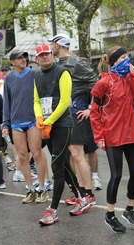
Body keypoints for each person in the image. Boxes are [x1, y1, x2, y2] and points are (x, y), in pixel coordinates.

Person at [90, 46, 134, 233]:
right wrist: (99, 136)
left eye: (128, 56)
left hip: (131, 133)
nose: (127, 60)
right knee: (116, 175)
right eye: (123, 57)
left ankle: (129, 209)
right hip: (112, 135)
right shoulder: (104, 83)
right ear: (114, 61)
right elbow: (94, 112)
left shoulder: (131, 79)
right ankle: (110, 214)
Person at [34, 44, 91, 226]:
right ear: (36, 59)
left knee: (56, 167)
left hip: (62, 124)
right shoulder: (37, 76)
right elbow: (36, 100)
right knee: (63, 163)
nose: (45, 57)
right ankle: (82, 197)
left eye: (47, 54)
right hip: (47, 125)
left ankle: (52, 210)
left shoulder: (62, 72)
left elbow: (66, 101)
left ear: (52, 54)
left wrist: (49, 122)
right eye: (41, 55)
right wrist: (39, 117)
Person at [48, 33, 100, 204]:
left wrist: (91, 108)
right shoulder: (58, 64)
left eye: (52, 45)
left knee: (78, 154)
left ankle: (88, 194)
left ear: (58, 45)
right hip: (65, 111)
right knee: (71, 154)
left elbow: (97, 84)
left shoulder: (77, 62)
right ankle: (80, 192)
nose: (51, 48)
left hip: (77, 109)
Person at [2, 50, 48, 204]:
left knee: (36, 153)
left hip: (33, 119)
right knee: (22, 156)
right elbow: (6, 102)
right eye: (19, 58)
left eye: (24, 57)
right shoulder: (8, 79)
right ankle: (30, 189)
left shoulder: (35, 74)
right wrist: (5, 123)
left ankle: (42, 188)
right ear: (12, 62)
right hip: (16, 122)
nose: (23, 60)